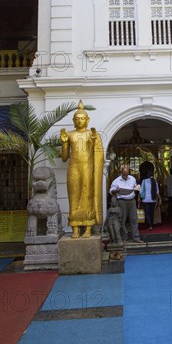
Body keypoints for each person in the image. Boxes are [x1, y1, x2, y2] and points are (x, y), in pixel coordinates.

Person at [60, 100, 104, 239]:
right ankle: (75, 229)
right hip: (74, 167)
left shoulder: (92, 135)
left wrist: (95, 140)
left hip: (87, 168)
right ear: (74, 120)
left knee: (87, 196)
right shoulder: (70, 134)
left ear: (87, 120)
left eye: (82, 119)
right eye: (77, 119)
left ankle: (88, 228)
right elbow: (64, 158)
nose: (80, 121)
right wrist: (65, 143)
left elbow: (99, 154)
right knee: (73, 198)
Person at [110, 165, 143, 243]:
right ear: (121, 173)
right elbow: (111, 191)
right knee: (122, 220)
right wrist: (116, 191)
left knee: (134, 219)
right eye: (124, 175)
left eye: (126, 175)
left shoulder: (132, 179)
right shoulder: (116, 181)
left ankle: (136, 238)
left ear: (128, 173)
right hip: (122, 201)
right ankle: (123, 238)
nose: (125, 176)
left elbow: (136, 187)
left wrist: (136, 190)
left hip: (132, 200)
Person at [139, 161, 161, 231]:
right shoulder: (154, 182)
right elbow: (157, 192)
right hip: (153, 199)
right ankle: (151, 223)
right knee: (151, 212)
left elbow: (141, 190)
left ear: (147, 175)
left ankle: (149, 225)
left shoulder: (144, 181)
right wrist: (160, 199)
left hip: (145, 199)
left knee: (147, 212)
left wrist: (139, 198)